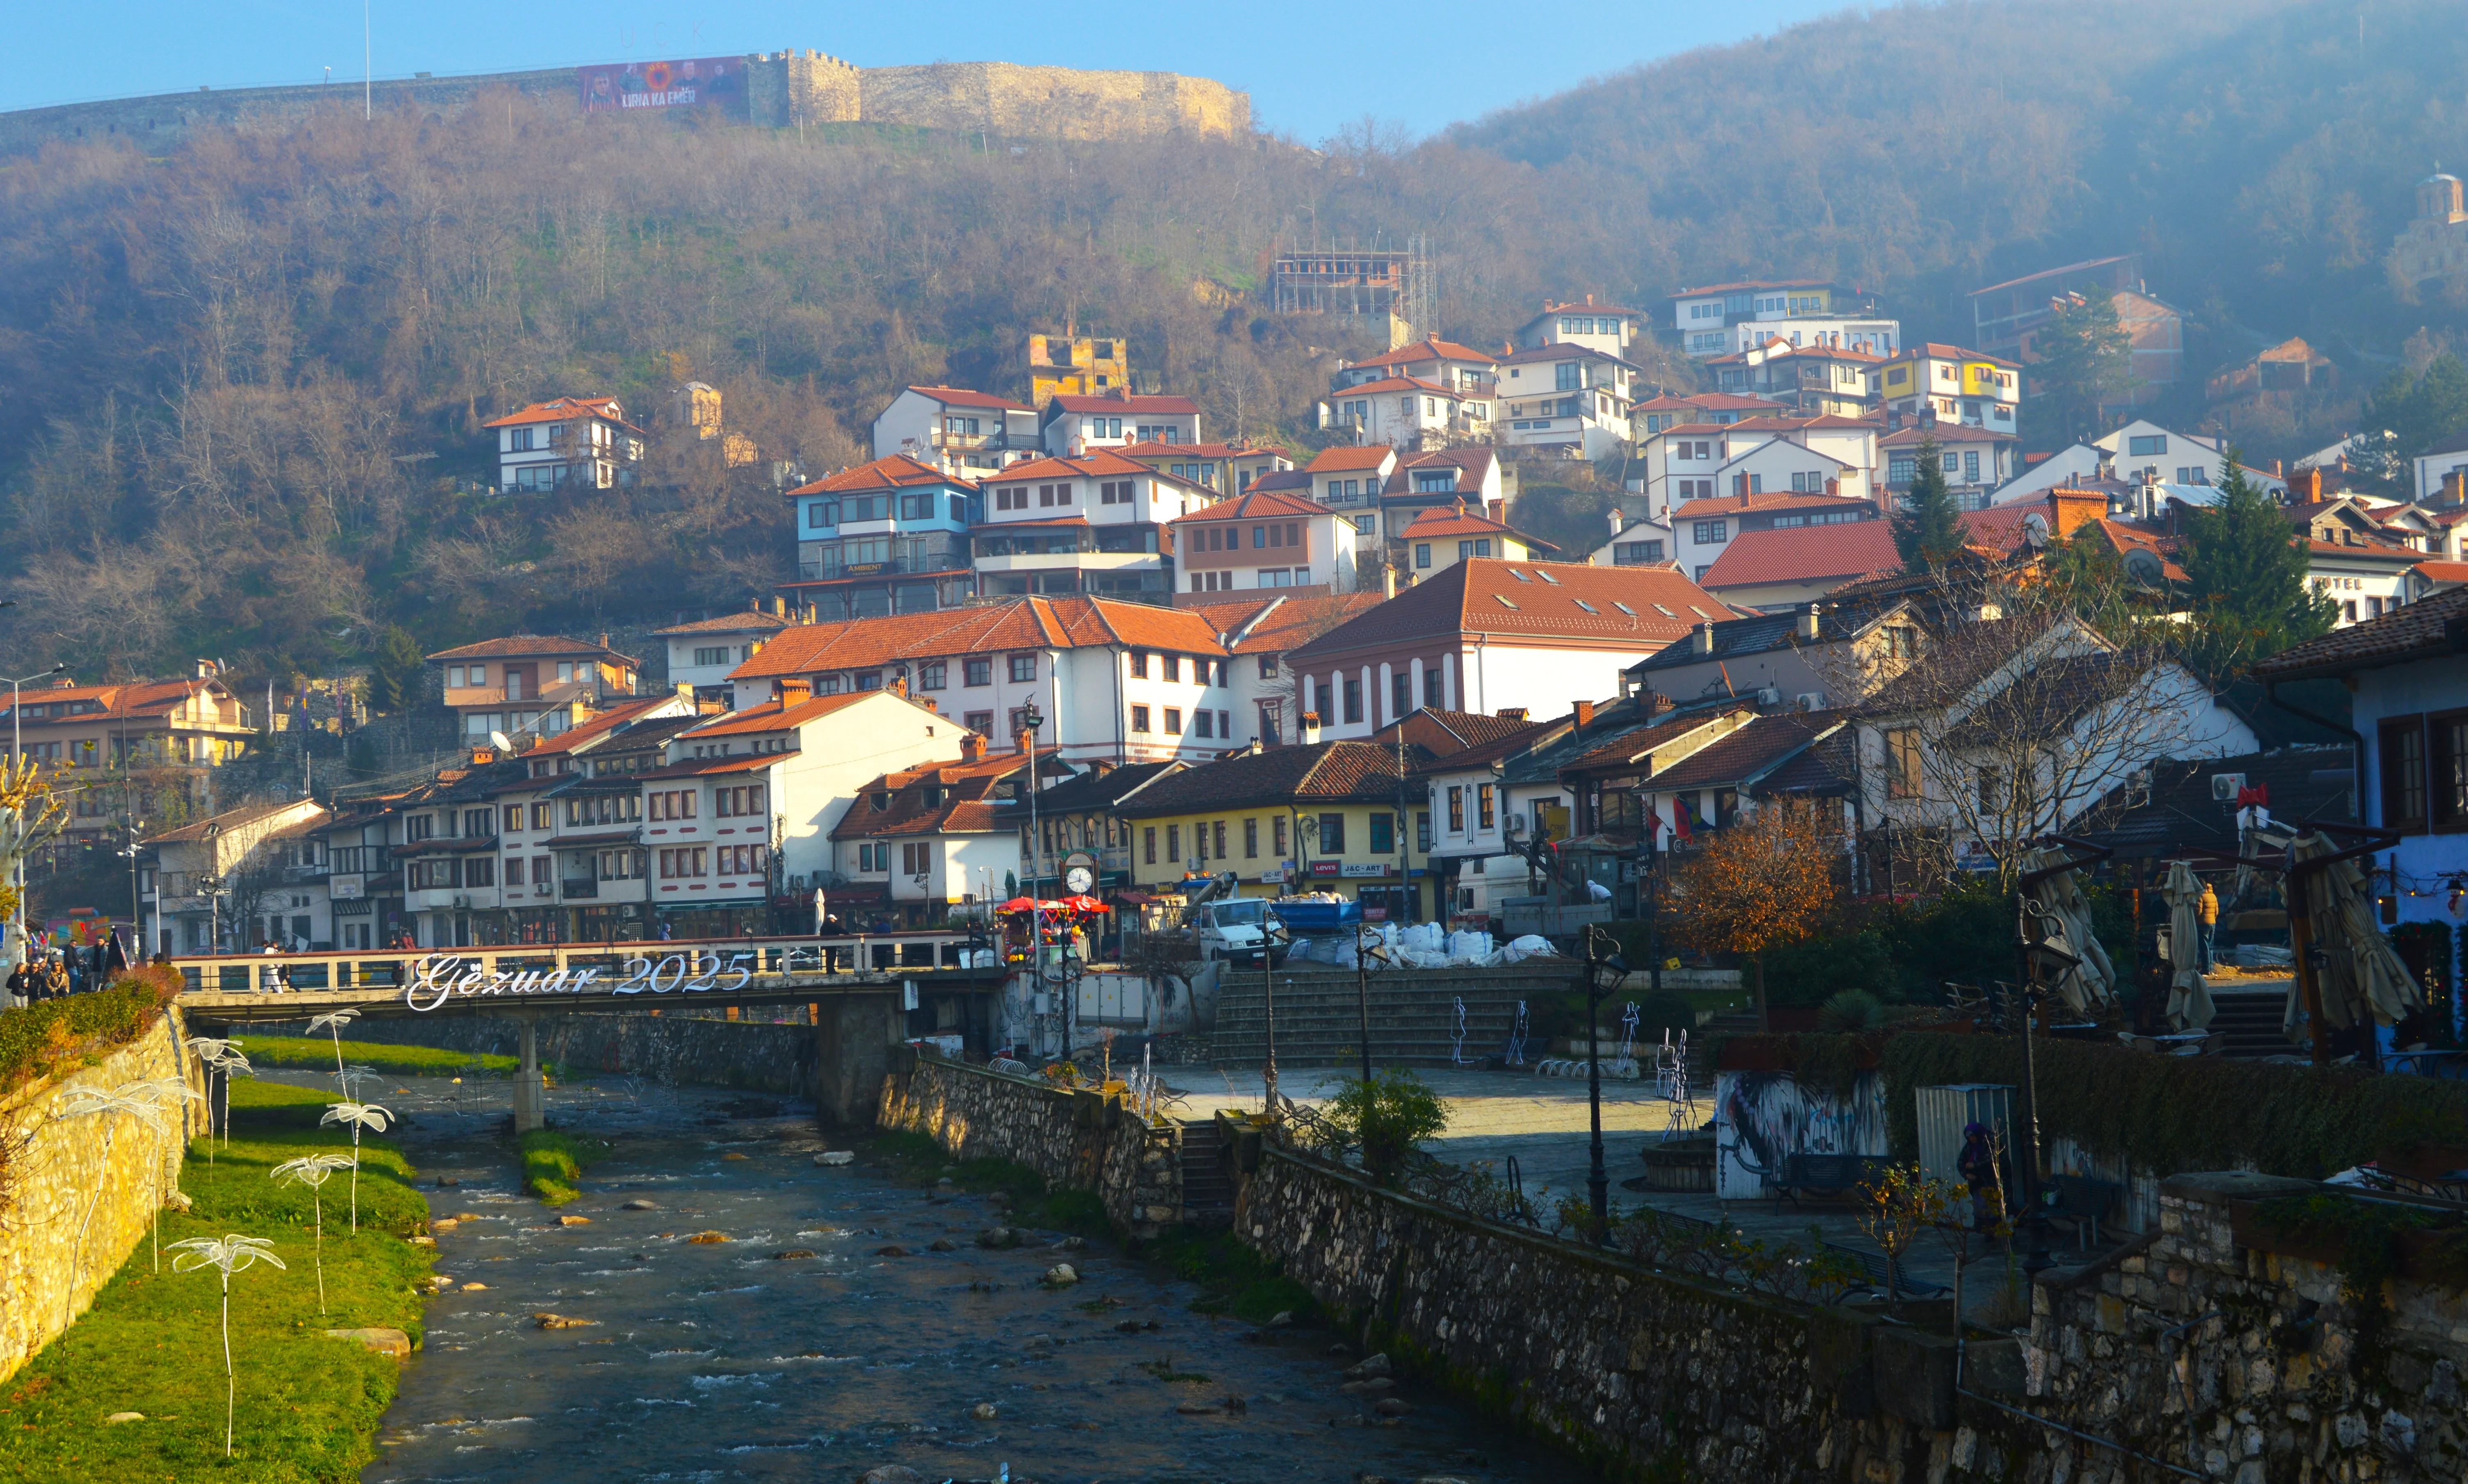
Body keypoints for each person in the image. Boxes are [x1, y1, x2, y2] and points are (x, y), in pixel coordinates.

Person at [1958, 1121, 2002, 1232]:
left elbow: (1991, 1158)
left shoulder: (1989, 1141)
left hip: (1992, 1181)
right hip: (1978, 1184)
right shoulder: (1970, 1147)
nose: (1972, 1139)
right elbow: (1961, 1163)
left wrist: (1975, 1165)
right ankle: (1986, 1231)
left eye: (1973, 1136)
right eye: (1969, 1137)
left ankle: (1997, 1230)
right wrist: (1967, 1174)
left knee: (1994, 1206)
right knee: (1981, 1207)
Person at [2196, 879, 2218, 973]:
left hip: (2203, 924)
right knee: (2210, 947)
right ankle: (2211, 969)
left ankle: (2206, 969)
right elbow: (2217, 912)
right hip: (2213, 923)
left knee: (2204, 947)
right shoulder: (2213, 896)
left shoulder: (2201, 896)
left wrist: (2194, 919)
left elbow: (2198, 912)